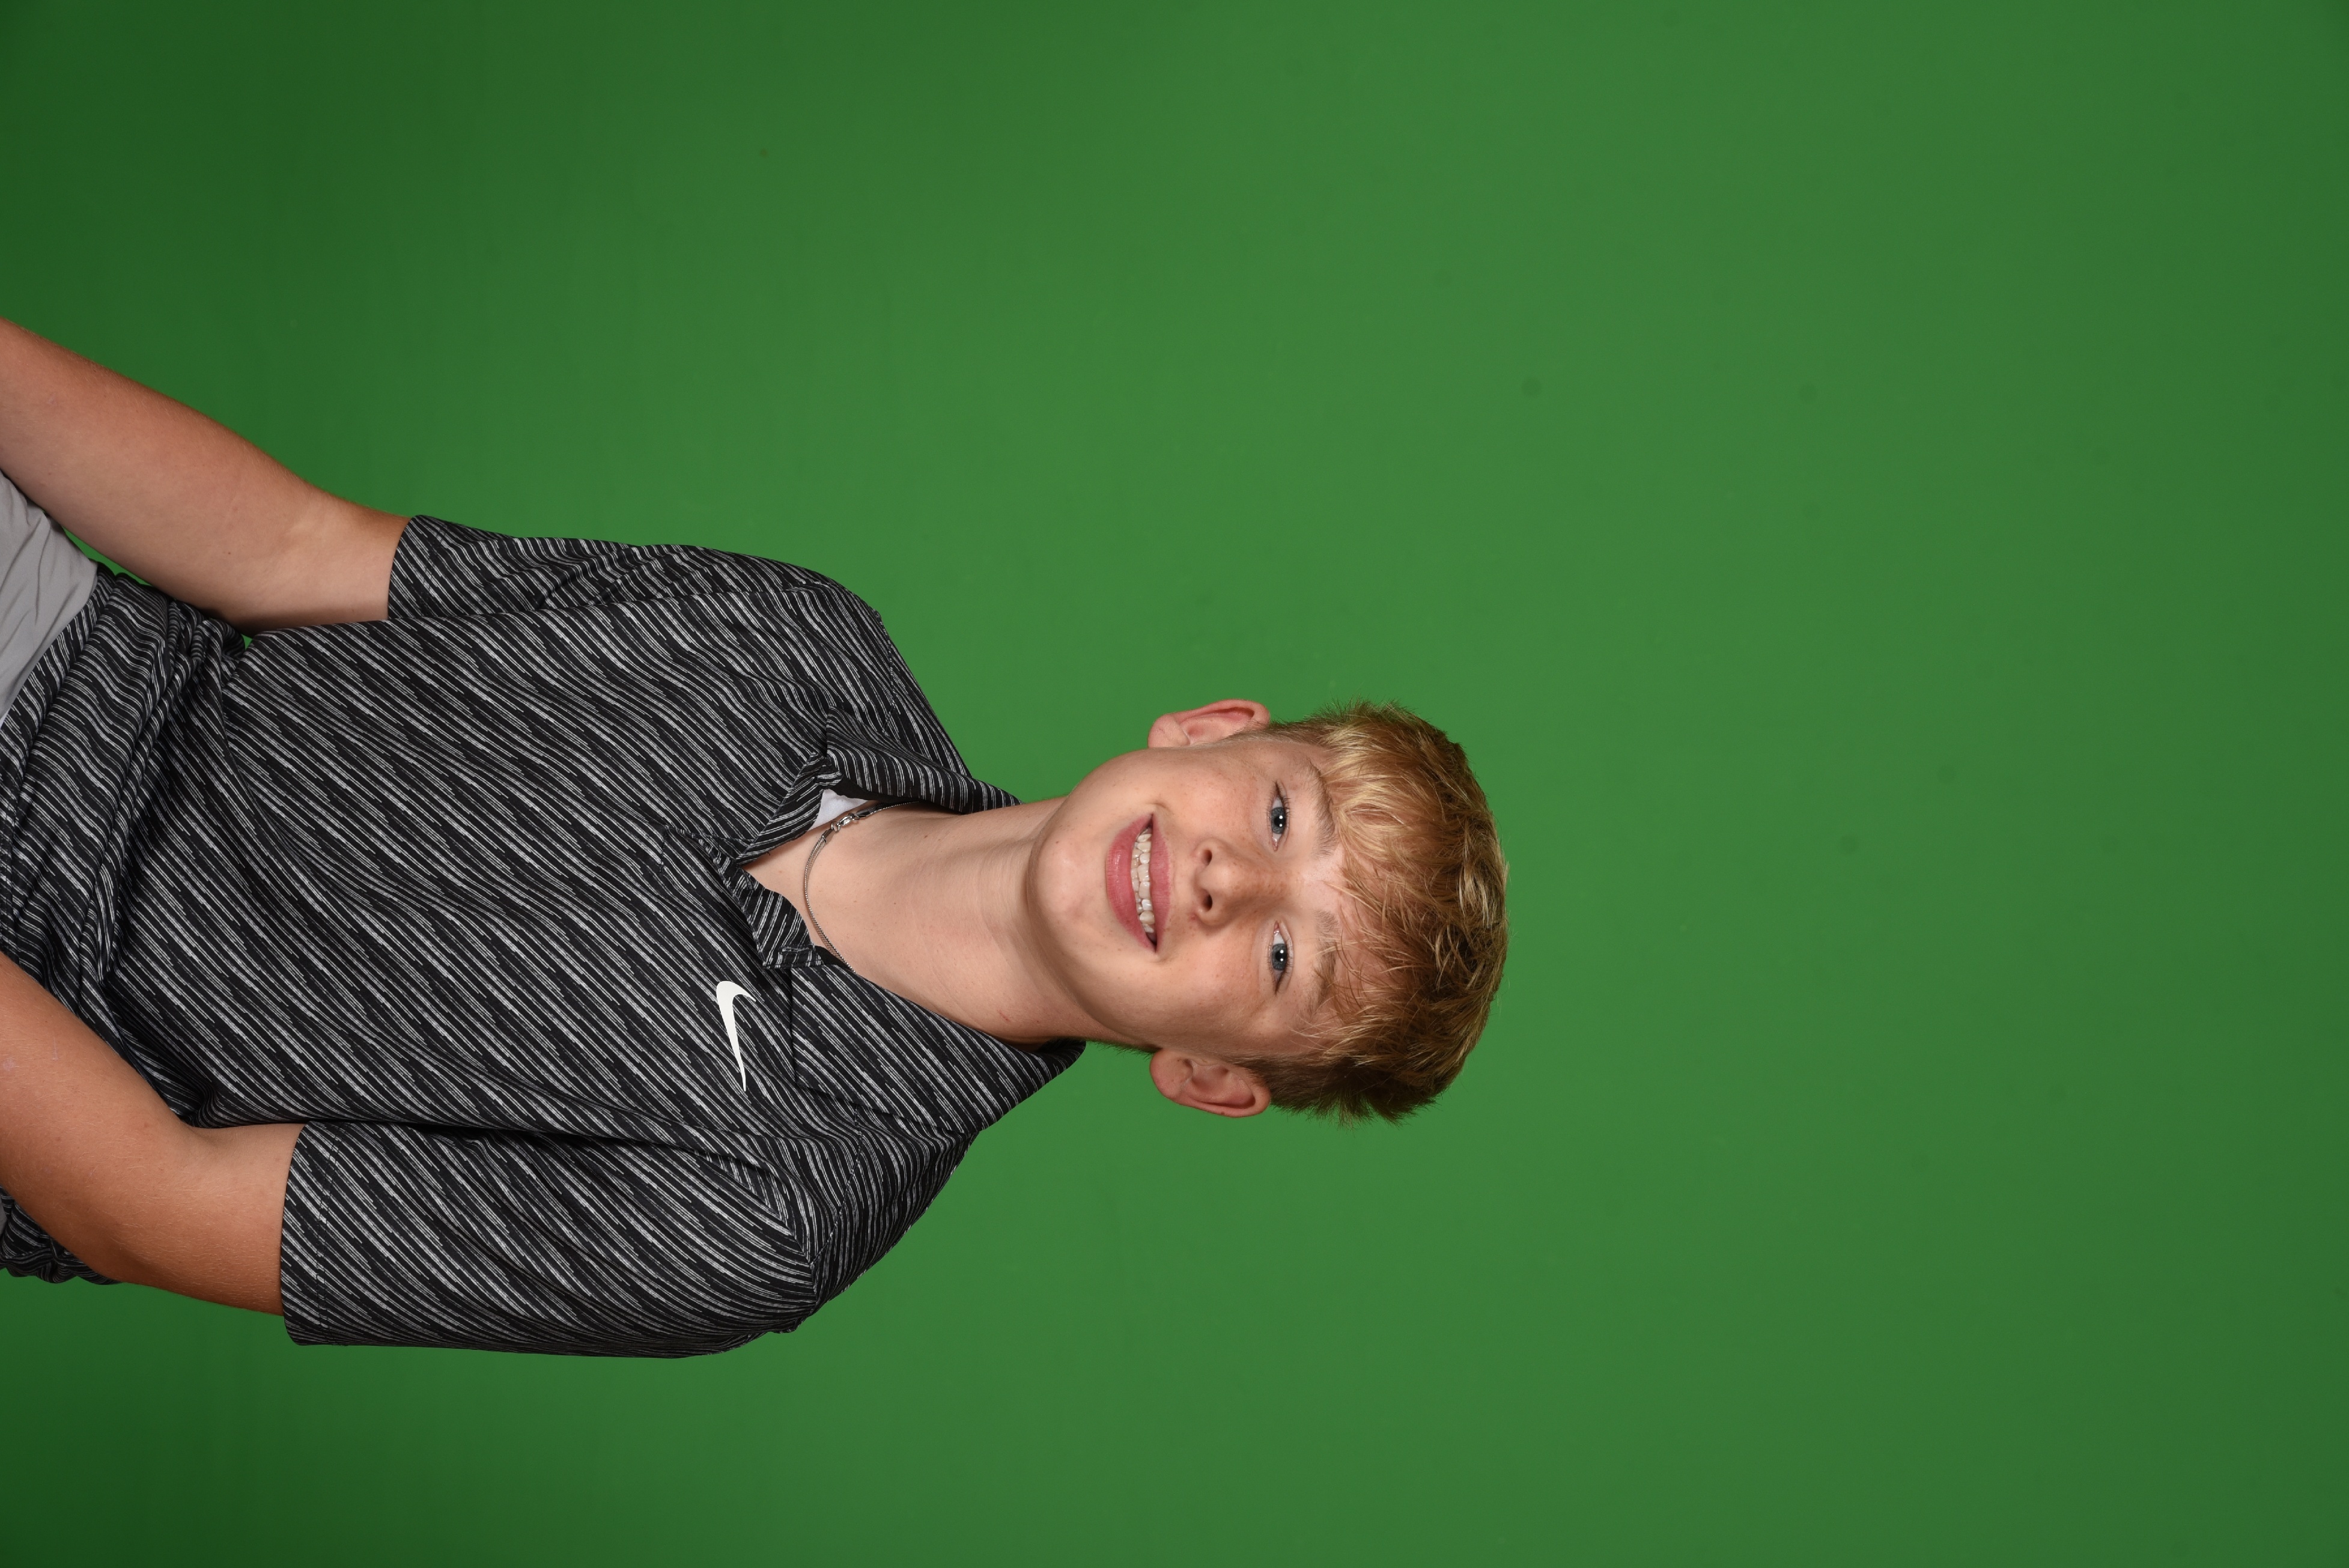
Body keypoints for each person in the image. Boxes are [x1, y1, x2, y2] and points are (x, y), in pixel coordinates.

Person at [0, 316, 1507, 1356]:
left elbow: (152, 1202)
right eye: (1277, 813)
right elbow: (296, 549)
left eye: (1283, 957)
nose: (1228, 878)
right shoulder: (799, 644)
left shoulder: (769, 1213)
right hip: (55, 635)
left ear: (1209, 1077)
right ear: (1207, 729)